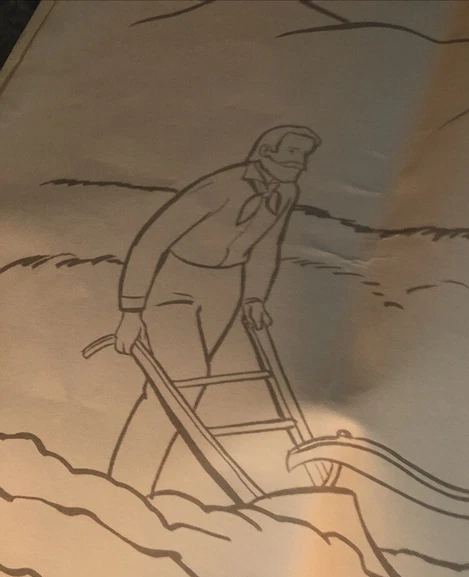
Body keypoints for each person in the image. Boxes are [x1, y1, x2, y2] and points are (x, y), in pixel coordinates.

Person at [108, 124, 321, 495]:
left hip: (225, 289)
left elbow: (266, 247)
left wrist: (254, 298)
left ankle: (140, 482)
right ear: (266, 152)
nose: (300, 164)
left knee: (188, 390)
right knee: (182, 379)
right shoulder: (221, 186)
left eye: (304, 156)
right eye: (292, 154)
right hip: (177, 280)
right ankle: (127, 482)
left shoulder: (286, 192)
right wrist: (131, 311)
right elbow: (151, 241)